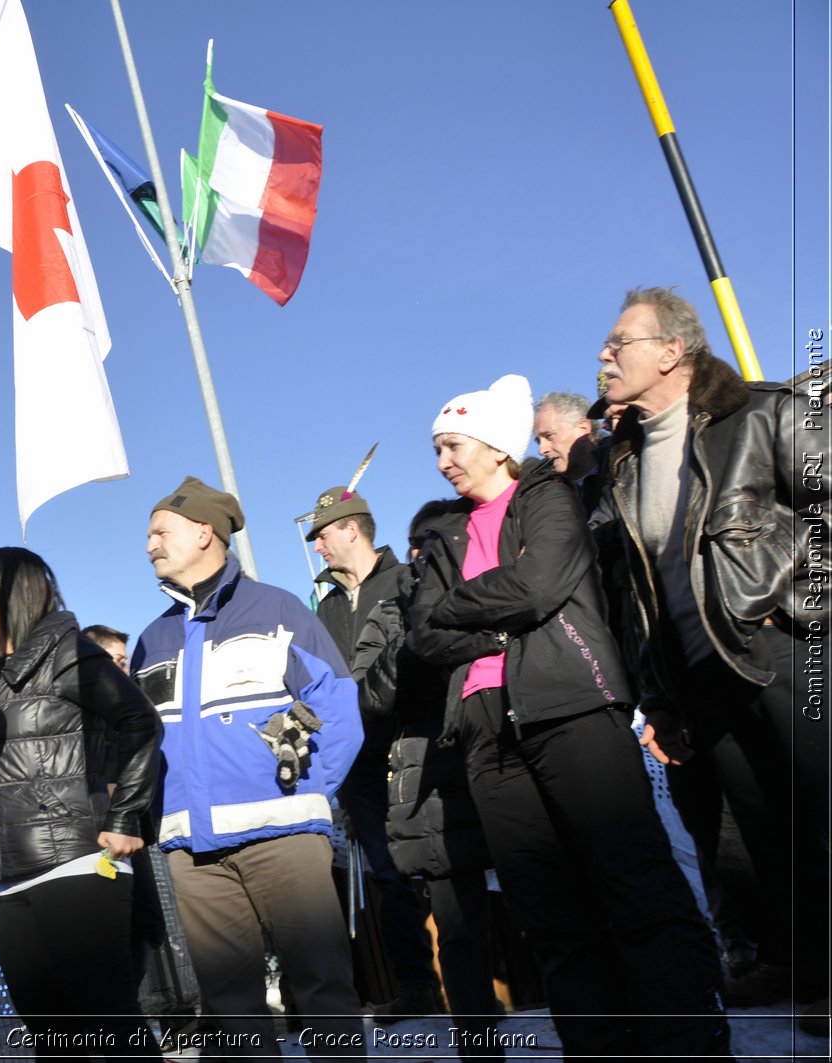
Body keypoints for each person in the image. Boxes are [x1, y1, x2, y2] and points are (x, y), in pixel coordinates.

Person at [407, 373, 729, 1057]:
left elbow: (540, 583)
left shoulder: (547, 497)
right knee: (547, 909)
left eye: (453, 444)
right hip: (485, 734)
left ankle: (689, 1040)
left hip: (571, 705)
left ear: (497, 446)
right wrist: (500, 626)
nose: (443, 462)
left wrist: (475, 610)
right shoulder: (445, 536)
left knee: (632, 880)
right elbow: (425, 633)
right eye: (437, 449)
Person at [597, 286, 829, 1019]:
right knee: (763, 842)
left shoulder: (764, 413)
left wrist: (778, 596)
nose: (605, 356)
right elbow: (643, 595)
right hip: (705, 677)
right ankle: (811, 975)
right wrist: (660, 694)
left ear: (672, 351)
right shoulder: (625, 464)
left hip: (785, 646)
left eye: (619, 341)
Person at [131, 477, 365, 1060]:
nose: (149, 544)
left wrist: (305, 795)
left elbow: (337, 710)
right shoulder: (150, 639)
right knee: (229, 1005)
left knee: (321, 989)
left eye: (160, 531)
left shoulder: (280, 609)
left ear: (204, 532)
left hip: (283, 839)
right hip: (191, 851)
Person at [0, 547, 163, 1055]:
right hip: (5, 883)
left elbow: (139, 721)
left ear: (9, 593)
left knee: (111, 1030)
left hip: (76, 865)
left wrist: (125, 816)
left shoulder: (66, 651)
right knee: (52, 1042)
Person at [353, 499, 502, 1060]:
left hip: (509, 752)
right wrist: (418, 636)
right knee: (459, 930)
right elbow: (367, 691)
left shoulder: (501, 577)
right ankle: (481, 1049)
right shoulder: (395, 604)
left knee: (553, 904)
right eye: (427, 545)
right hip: (432, 774)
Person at [304, 482, 440, 1021]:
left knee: (444, 864)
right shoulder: (325, 609)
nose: (317, 546)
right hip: (360, 764)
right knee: (388, 874)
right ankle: (417, 986)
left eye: (322, 535)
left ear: (351, 529)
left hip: (417, 745)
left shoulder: (407, 580)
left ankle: (470, 984)